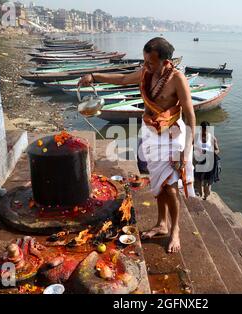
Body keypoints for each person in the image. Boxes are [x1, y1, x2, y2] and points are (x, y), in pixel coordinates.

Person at [78, 37, 196, 253]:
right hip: (150, 133)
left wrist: (185, 153)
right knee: (157, 181)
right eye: (145, 61)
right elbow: (123, 78)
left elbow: (190, 117)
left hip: (171, 135)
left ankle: (175, 229)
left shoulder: (178, 79)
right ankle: (162, 223)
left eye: (150, 62)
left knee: (170, 186)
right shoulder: (146, 73)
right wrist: (94, 76)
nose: (146, 66)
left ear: (165, 61)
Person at [193, 121, 221, 200]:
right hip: (198, 160)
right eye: (203, 130)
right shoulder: (196, 137)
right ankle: (199, 193)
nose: (205, 132)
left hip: (209, 161)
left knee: (207, 181)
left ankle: (206, 195)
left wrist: (210, 153)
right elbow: (191, 146)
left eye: (207, 130)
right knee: (197, 178)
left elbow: (217, 150)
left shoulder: (212, 138)